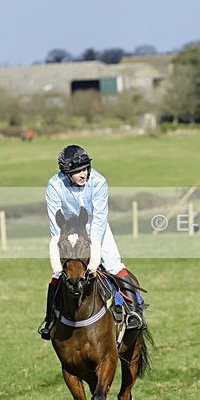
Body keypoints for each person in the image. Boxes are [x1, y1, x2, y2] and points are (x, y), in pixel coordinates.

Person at [38, 144, 138, 339]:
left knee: (112, 263)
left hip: (94, 225)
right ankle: (50, 318)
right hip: (68, 228)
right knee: (59, 271)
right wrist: (63, 248)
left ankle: (134, 311)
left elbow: (99, 220)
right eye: (76, 171)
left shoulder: (99, 182)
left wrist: (94, 254)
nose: (82, 174)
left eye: (84, 168)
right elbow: (55, 223)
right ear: (66, 173)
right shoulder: (54, 186)